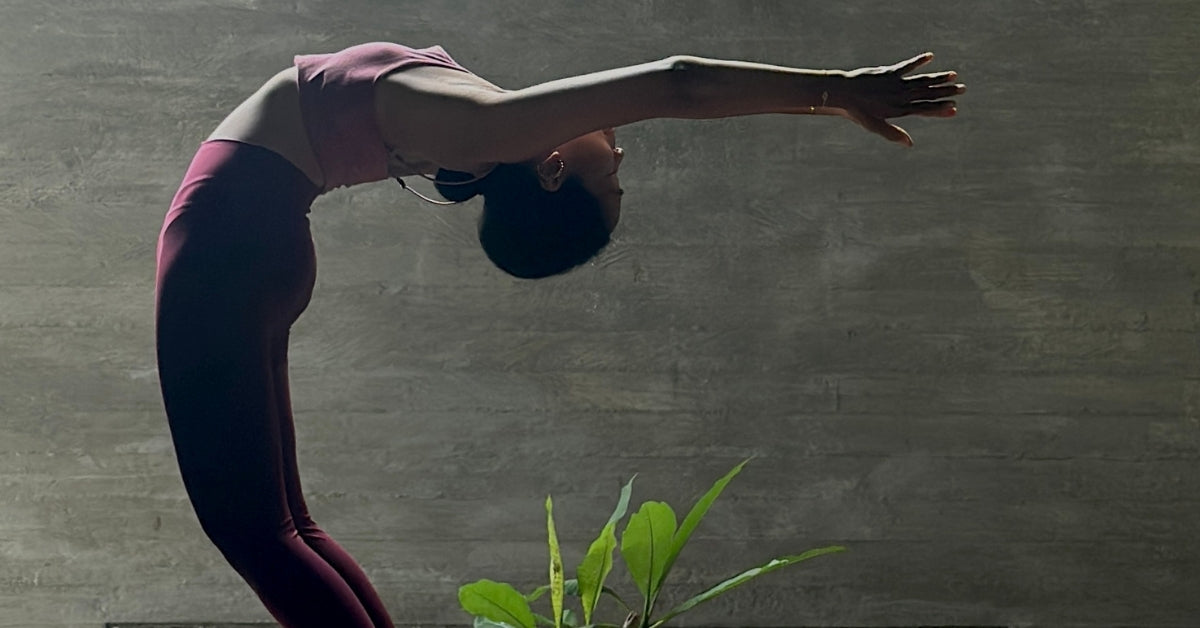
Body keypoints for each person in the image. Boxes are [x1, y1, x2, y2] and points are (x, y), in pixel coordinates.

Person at [154, 41, 964, 627]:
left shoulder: (491, 130)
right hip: (260, 245)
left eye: (608, 175)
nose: (617, 151)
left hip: (228, 244)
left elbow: (679, 84)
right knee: (287, 527)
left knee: (260, 534)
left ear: (550, 170)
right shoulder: (480, 133)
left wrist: (839, 89)